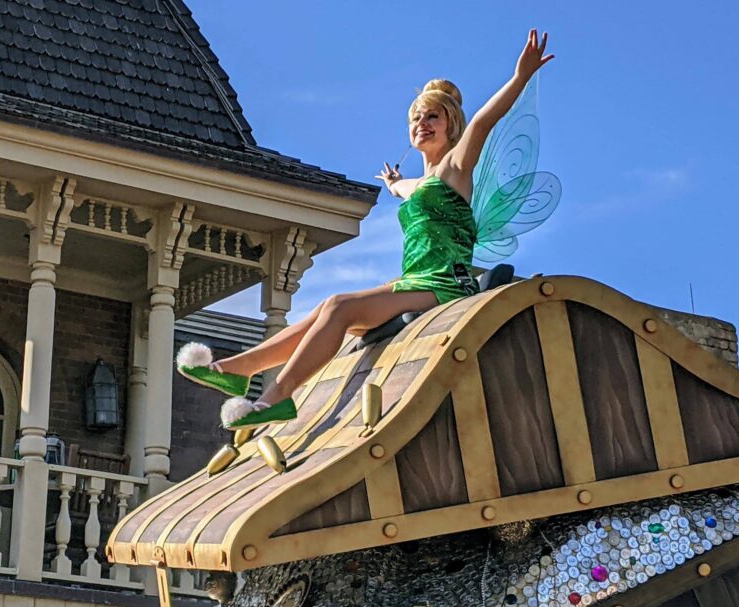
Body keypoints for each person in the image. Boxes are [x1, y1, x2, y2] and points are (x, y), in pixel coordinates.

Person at [177, 29, 555, 429]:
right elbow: (407, 191)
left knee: (340, 307)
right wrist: (393, 184)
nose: (422, 123)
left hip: (446, 284)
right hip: (414, 281)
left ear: (450, 125)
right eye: (415, 118)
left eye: (432, 116)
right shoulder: (422, 185)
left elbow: (483, 122)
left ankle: (276, 398)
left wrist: (520, 78)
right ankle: (238, 369)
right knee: (328, 307)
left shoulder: (455, 169)